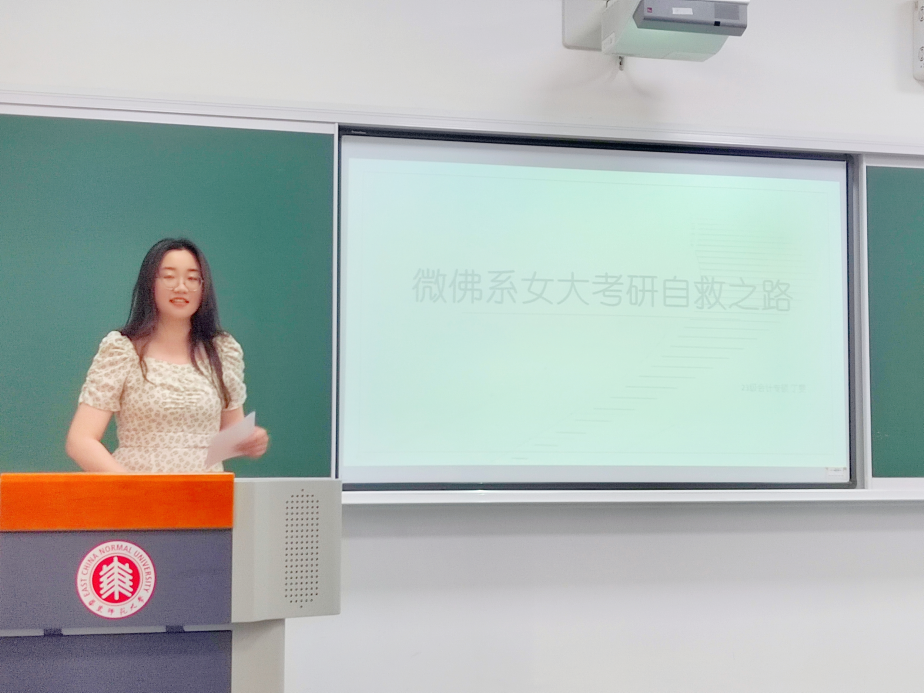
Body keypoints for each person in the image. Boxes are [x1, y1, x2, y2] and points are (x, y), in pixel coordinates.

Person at [66, 238, 269, 473]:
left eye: (192, 278)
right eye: (169, 276)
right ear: (149, 284)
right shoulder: (123, 350)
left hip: (205, 491)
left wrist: (249, 440)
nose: (181, 287)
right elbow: (80, 441)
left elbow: (232, 432)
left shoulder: (222, 351)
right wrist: (134, 487)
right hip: (139, 489)